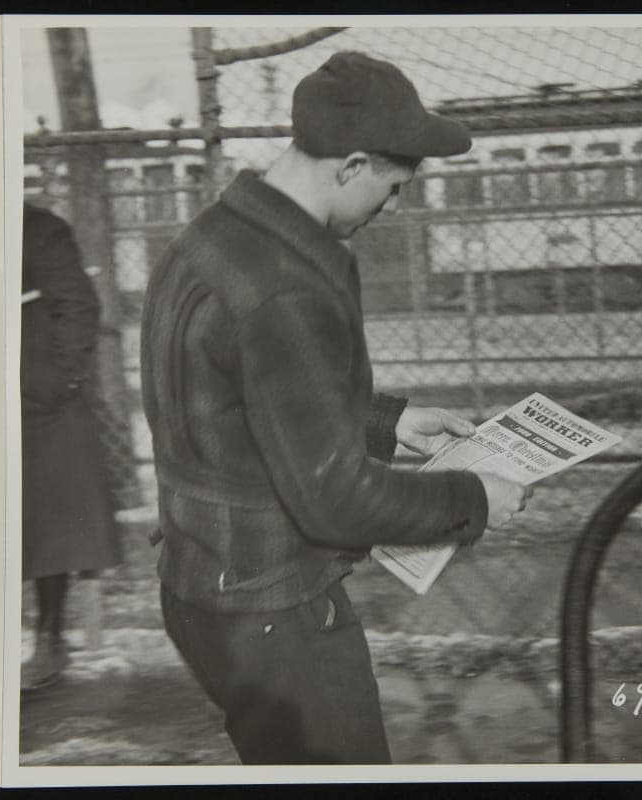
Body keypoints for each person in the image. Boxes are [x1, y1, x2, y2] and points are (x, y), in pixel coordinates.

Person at [140, 51, 530, 764]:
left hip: (203, 584)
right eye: (391, 187)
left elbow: (247, 397)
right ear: (350, 165)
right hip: (274, 609)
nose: (393, 208)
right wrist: (474, 498)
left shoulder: (210, 238)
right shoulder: (286, 284)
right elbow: (335, 499)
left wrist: (387, 422)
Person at [21, 202, 122, 690]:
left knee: (51, 522)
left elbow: (80, 306)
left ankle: (49, 640)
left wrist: (51, 381)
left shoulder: (38, 227)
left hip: (38, 402)